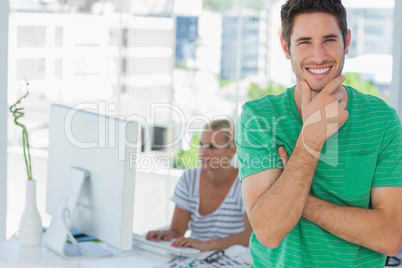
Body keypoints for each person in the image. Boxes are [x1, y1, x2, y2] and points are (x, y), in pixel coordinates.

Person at [235, 0, 402, 267]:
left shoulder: (382, 120)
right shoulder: (259, 118)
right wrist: (310, 138)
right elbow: (268, 231)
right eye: (304, 42)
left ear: (346, 40)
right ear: (285, 46)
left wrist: (299, 199)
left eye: (329, 39)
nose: (319, 55)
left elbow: (391, 236)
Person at [147, 119, 252, 251]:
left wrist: (209, 245)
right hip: (195, 255)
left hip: (231, 258)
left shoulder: (244, 183)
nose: (203, 152)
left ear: (232, 151)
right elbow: (177, 231)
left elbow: (251, 234)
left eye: (212, 147)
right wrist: (167, 234)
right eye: (201, 145)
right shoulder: (189, 178)